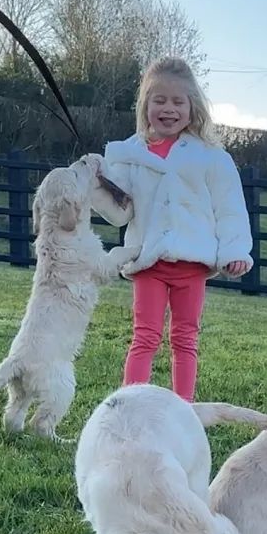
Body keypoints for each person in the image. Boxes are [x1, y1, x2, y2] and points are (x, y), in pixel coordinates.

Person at [92, 57, 253, 402]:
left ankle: (183, 411)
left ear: (192, 107)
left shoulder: (211, 157)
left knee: (185, 339)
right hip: (148, 261)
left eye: (178, 101)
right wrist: (98, 186)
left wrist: (235, 251)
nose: (168, 109)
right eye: (159, 100)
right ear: (145, 104)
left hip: (191, 265)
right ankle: (130, 408)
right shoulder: (129, 154)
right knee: (144, 336)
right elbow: (120, 215)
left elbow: (229, 209)